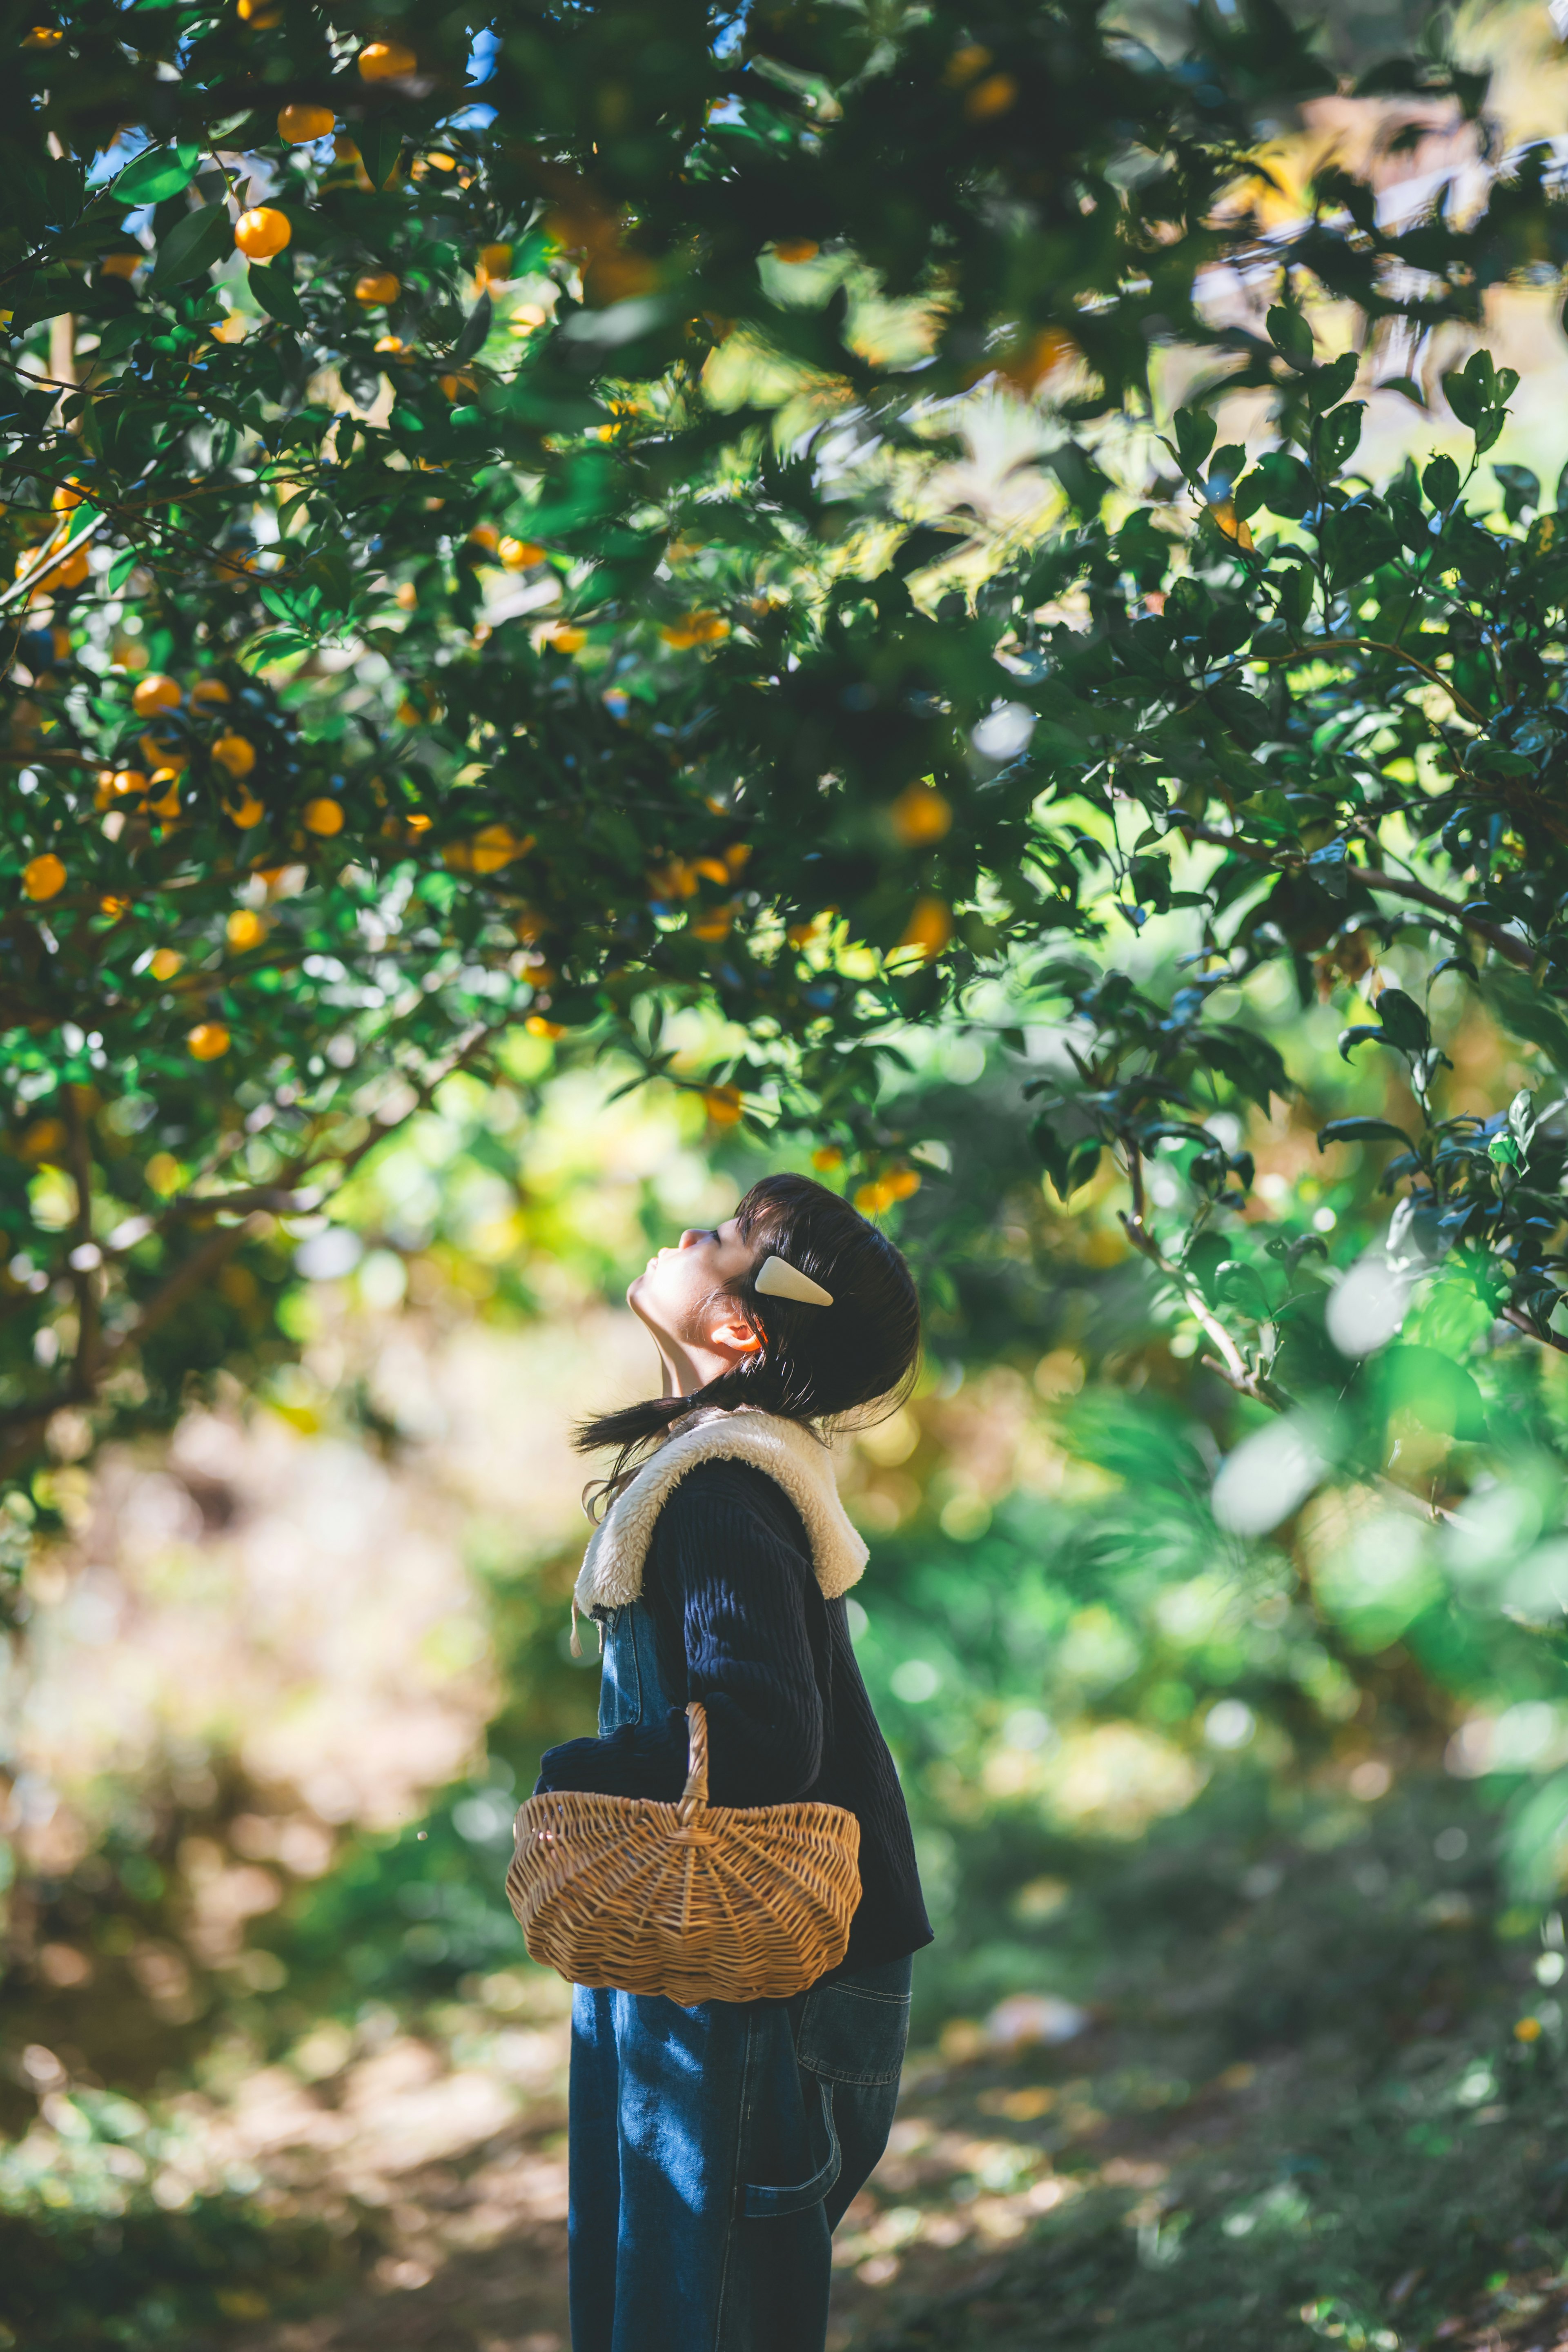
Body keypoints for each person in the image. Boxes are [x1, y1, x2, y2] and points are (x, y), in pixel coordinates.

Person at [533, 1171, 933, 2352]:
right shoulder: (726, 1465)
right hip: (746, 1959)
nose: (688, 1230)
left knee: (706, 2310)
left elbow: (759, 1739)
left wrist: (573, 1770)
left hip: (765, 1988)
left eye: (724, 1234)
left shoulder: (718, 1488)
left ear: (739, 1326)